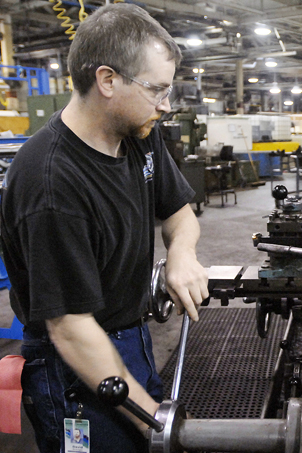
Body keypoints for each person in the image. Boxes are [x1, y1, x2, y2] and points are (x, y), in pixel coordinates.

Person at [0, 4, 209, 452]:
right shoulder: (51, 185)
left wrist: (181, 255)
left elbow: (178, 212)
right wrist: (153, 419)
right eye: (157, 89)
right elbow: (70, 326)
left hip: (131, 334)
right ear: (108, 80)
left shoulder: (137, 131)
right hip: (73, 361)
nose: (166, 106)